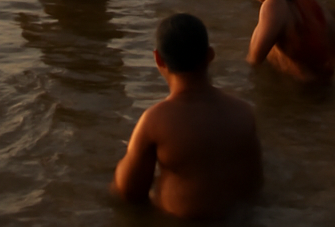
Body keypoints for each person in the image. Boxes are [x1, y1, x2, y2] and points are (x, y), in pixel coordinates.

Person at [112, 14, 262, 219]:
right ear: (210, 55)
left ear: (158, 59)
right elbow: (255, 185)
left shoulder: (155, 120)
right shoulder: (243, 113)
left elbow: (129, 192)